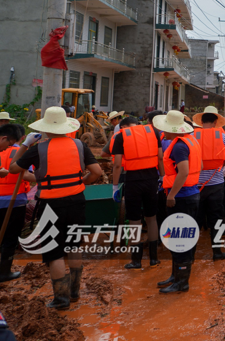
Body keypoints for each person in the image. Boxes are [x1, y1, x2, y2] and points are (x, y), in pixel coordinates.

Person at [9, 106, 103, 309]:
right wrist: (80, 183)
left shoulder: (38, 149)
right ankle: (75, 292)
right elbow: (96, 172)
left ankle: (61, 300)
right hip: (76, 201)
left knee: (55, 252)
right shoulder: (79, 145)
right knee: (73, 247)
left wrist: (25, 145)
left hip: (51, 205)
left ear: (46, 128)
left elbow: (13, 168)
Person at [152, 110, 202, 293]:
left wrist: (171, 195)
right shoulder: (190, 141)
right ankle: (176, 276)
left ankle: (182, 282)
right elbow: (200, 166)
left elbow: (184, 172)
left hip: (181, 197)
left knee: (180, 240)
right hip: (191, 194)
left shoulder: (179, 146)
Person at [111, 115, 163, 269]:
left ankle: (136, 260)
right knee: (151, 218)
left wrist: (115, 186)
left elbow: (117, 165)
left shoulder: (121, 136)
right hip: (152, 179)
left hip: (133, 180)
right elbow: (160, 158)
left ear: (123, 127)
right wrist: (162, 177)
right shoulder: (153, 131)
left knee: (134, 220)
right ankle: (154, 258)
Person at [191, 106, 225, 261]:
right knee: (215, 218)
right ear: (215, 122)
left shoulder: (192, 136)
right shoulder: (222, 137)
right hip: (216, 183)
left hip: (196, 185)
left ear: (201, 122)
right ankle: (217, 252)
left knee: (196, 219)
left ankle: (191, 254)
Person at [0, 124, 35, 282]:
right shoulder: (20, 153)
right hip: (15, 201)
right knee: (10, 238)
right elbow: (28, 176)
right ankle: (4, 272)